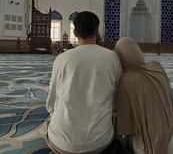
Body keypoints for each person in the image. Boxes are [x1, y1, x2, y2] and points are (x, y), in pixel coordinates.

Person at [46, 11, 126, 154]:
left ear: (75, 32)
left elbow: (51, 103)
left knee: (49, 122)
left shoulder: (61, 59)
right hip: (100, 142)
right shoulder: (112, 57)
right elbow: (118, 99)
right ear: (97, 31)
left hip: (62, 144)